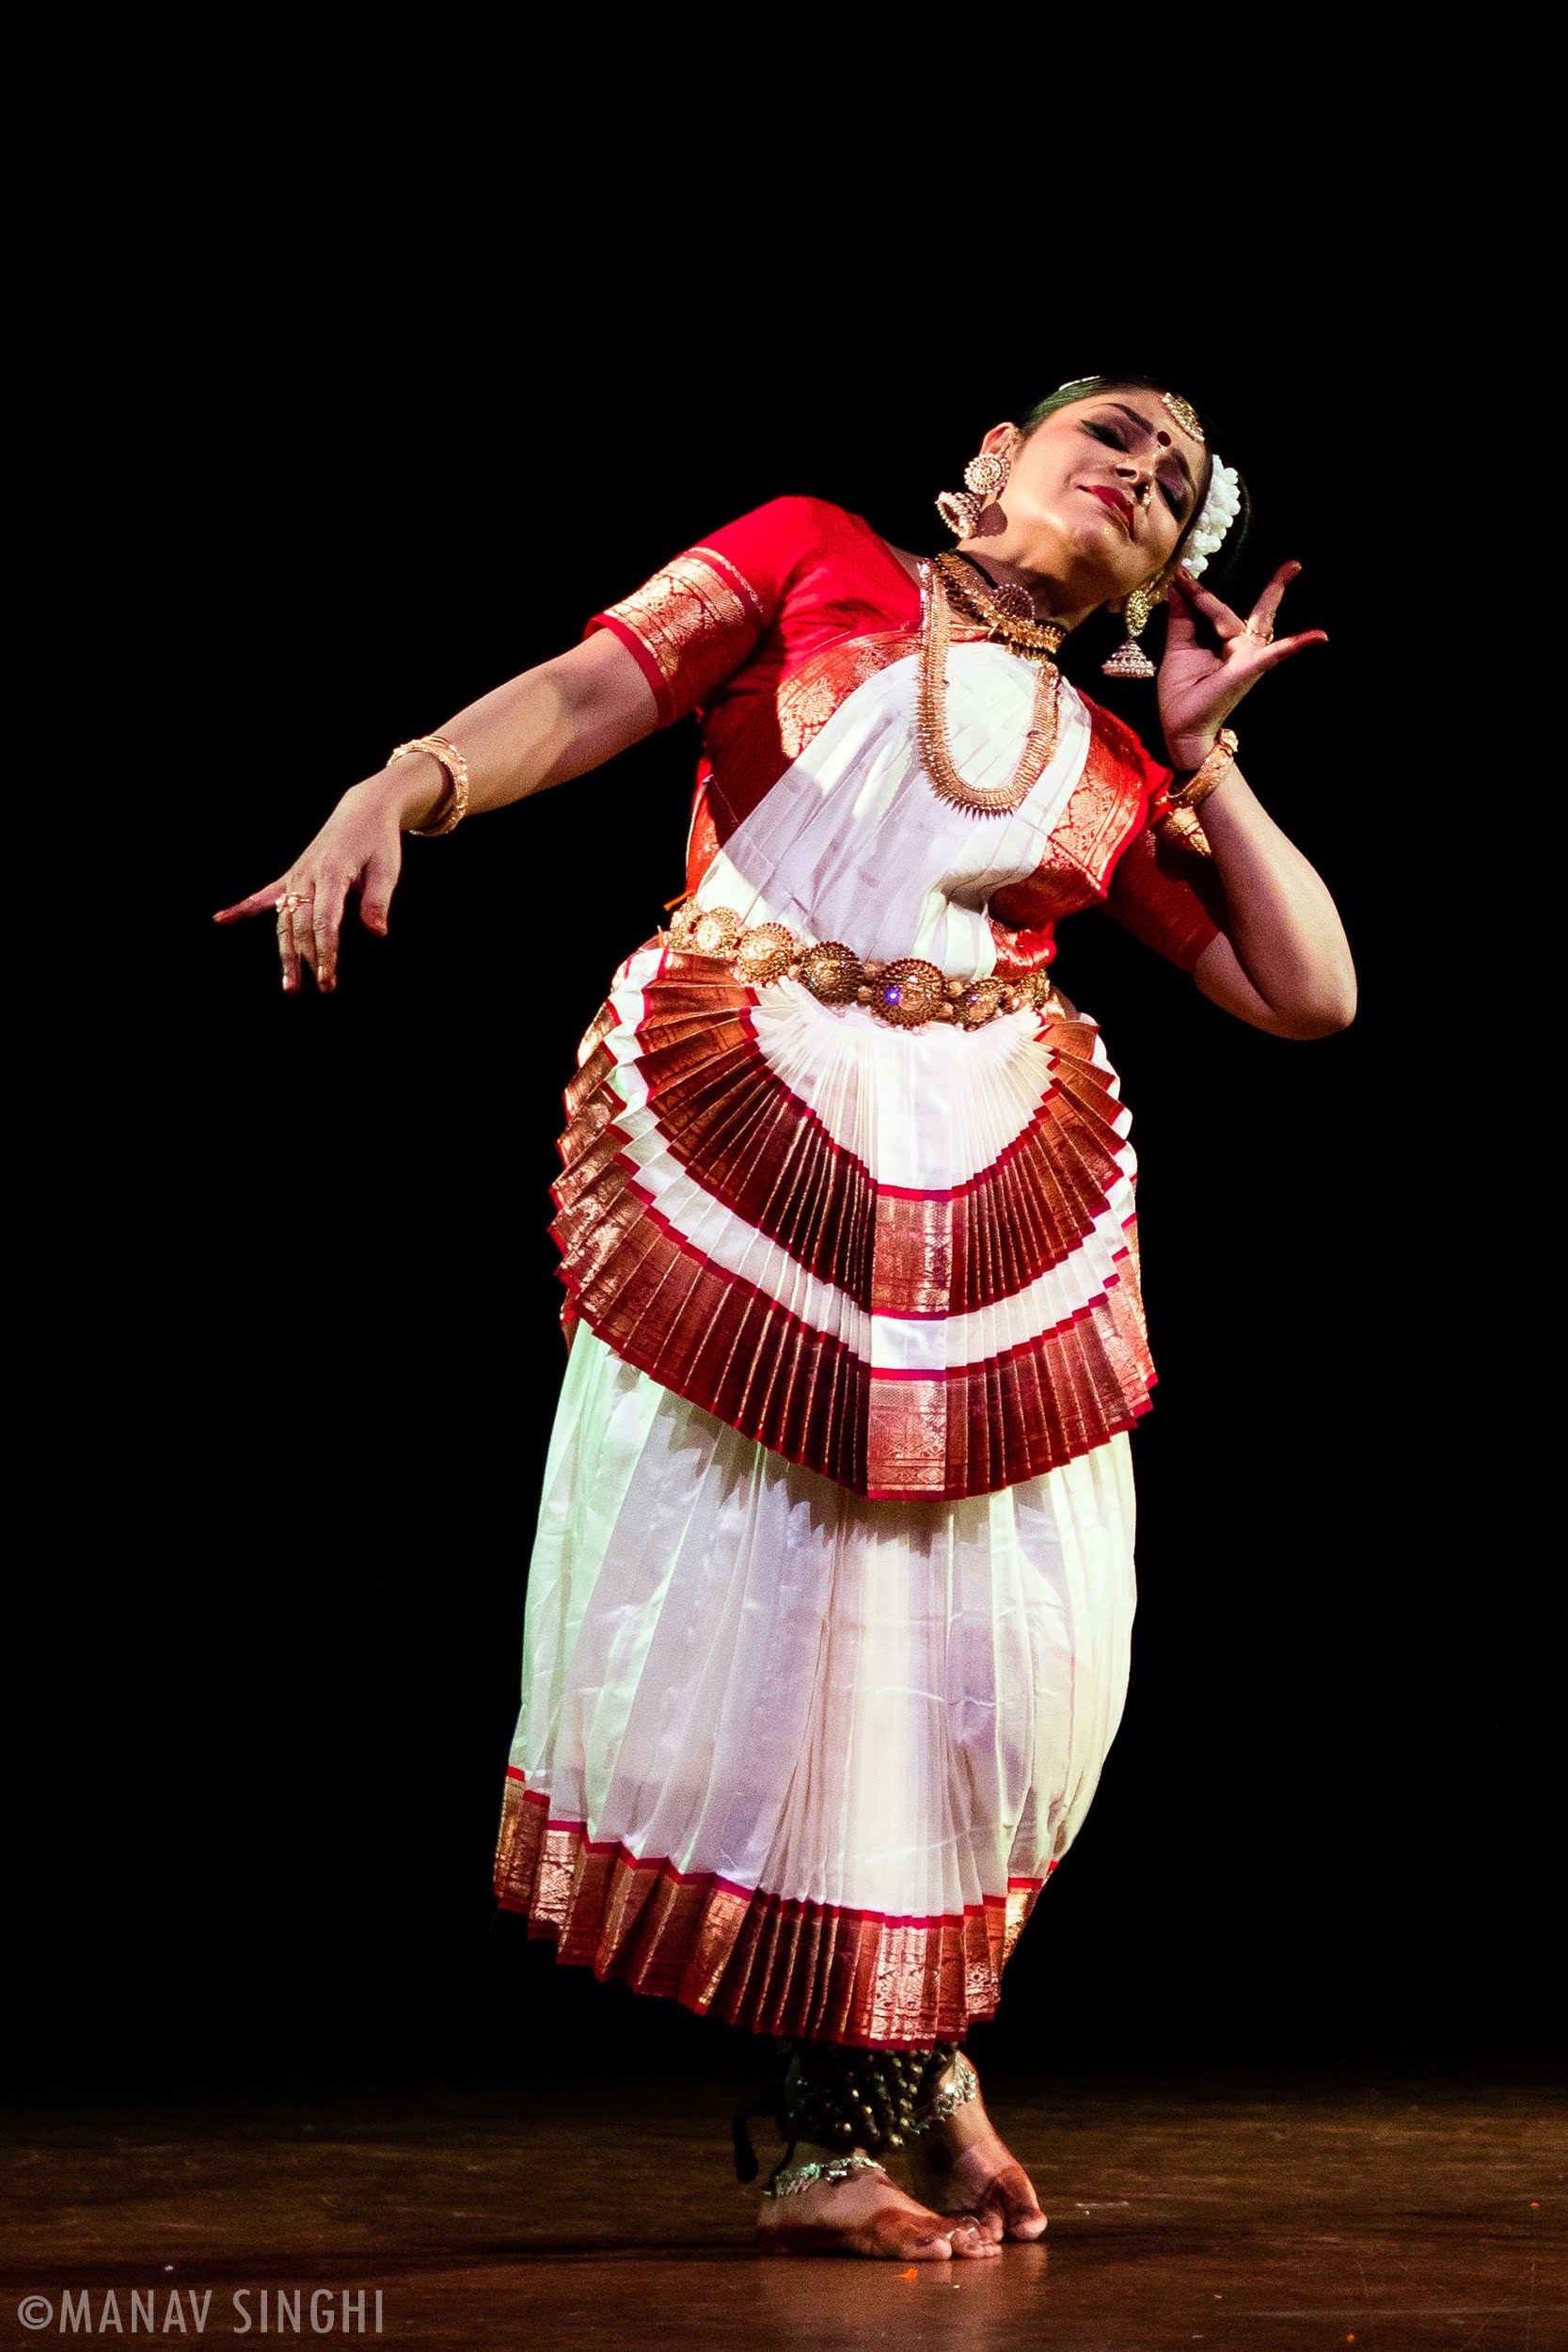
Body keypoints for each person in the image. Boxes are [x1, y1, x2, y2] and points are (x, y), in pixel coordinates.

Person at [216, 375, 1354, 2262]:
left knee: (990, 1643)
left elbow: (1308, 991)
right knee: (790, 1621)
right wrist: (394, 782)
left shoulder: (1110, 754)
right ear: (992, 459)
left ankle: (906, 2053)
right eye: (1115, 430)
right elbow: (594, 692)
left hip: (984, 1181)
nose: (1143, 467)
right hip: (766, 1131)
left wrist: (1209, 765)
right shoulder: (815, 557)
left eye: (1176, 487)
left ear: (1159, 575)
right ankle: (845, 2111)